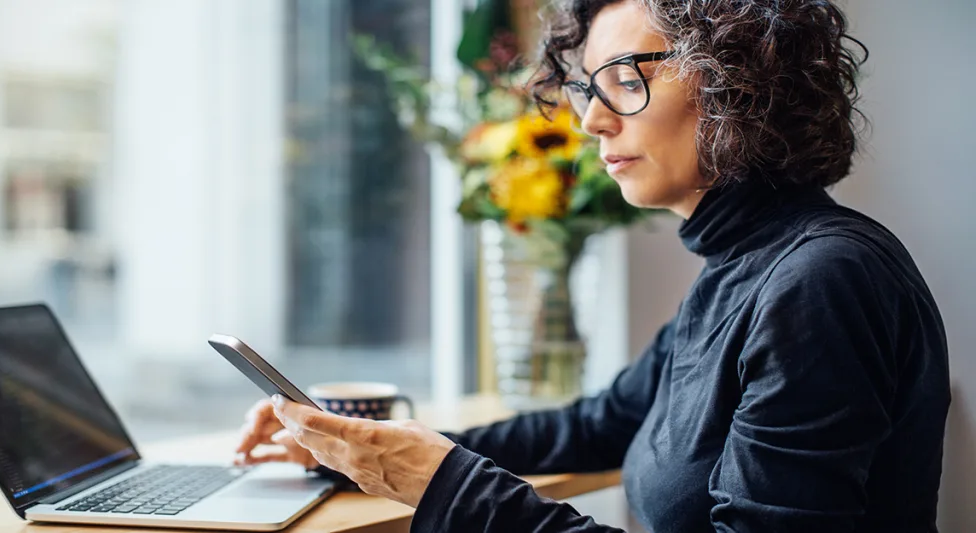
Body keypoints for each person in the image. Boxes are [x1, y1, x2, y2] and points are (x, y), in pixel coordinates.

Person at [233, 1, 951, 531]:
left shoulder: (821, 281)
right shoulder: (745, 268)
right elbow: (600, 423)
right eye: (587, 87)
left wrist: (446, 485)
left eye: (623, 79)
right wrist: (355, 451)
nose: (591, 121)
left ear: (741, 82)